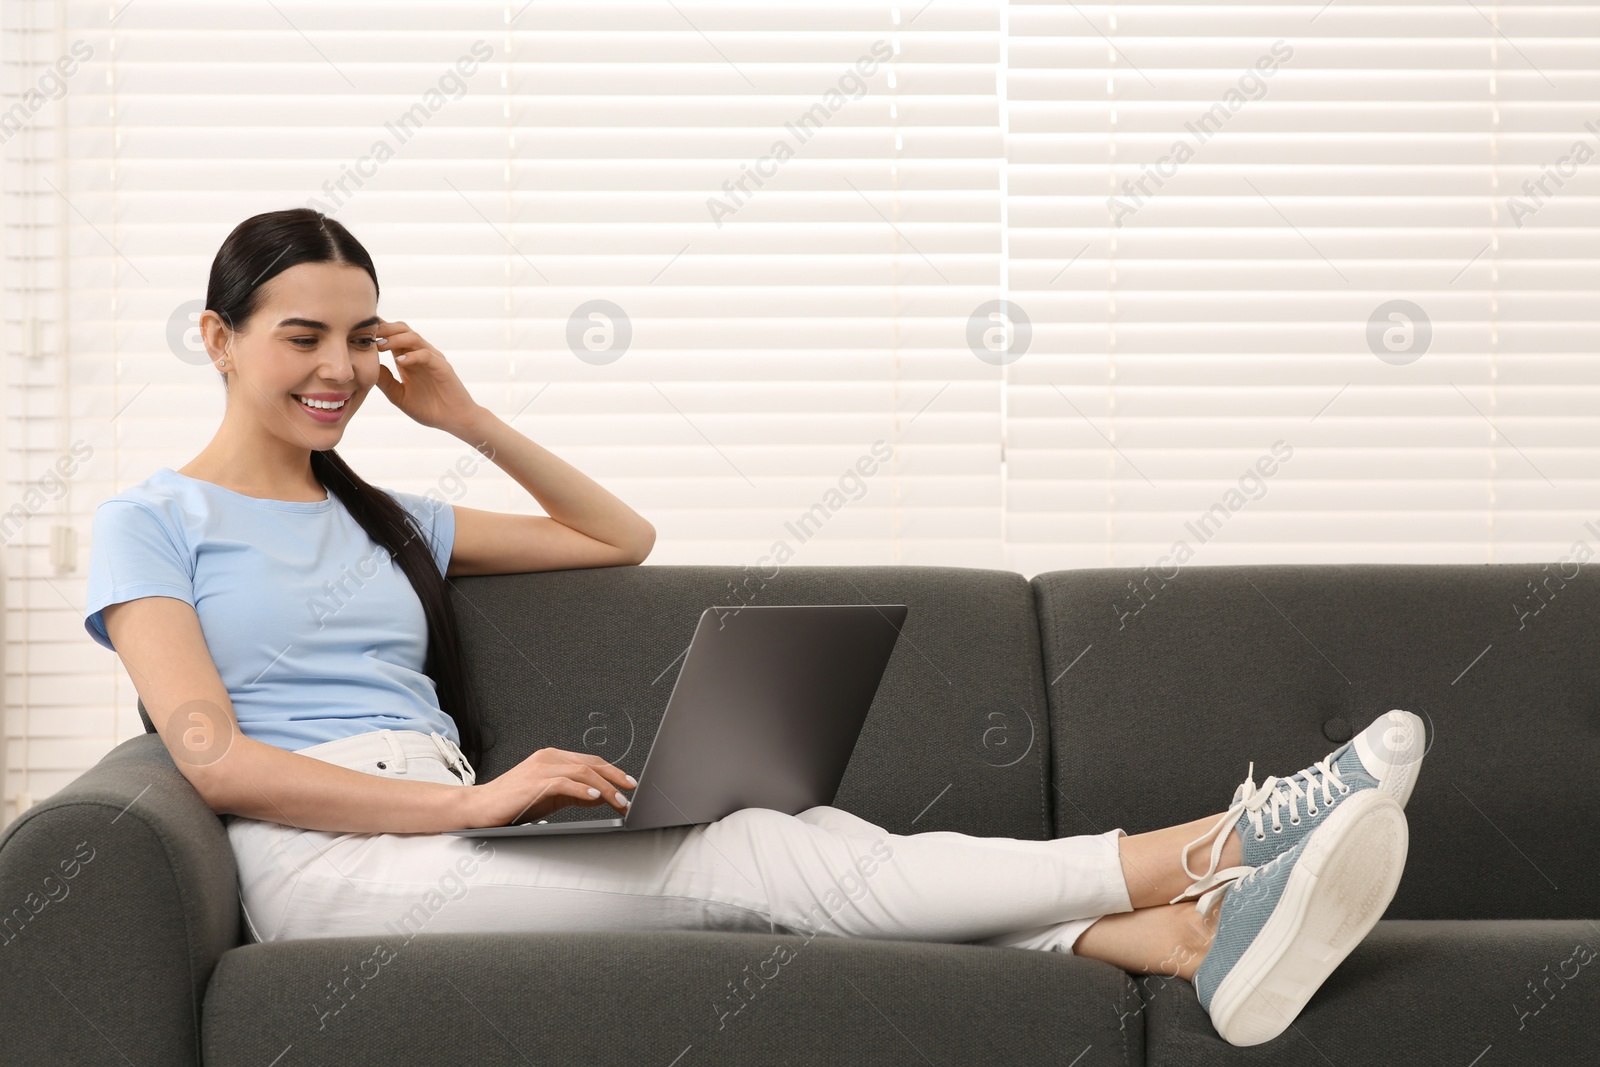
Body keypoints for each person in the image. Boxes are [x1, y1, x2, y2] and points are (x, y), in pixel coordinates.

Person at [83, 208, 1421, 1048]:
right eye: (302, 337)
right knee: (759, 854)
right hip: (329, 869)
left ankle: (1188, 947)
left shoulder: (394, 516)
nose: (337, 372)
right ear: (219, 336)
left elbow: (617, 538)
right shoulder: (154, 522)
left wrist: (465, 417)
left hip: (446, 828)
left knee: (792, 860)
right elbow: (214, 760)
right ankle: (1221, 843)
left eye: (360, 340)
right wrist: (481, 808)